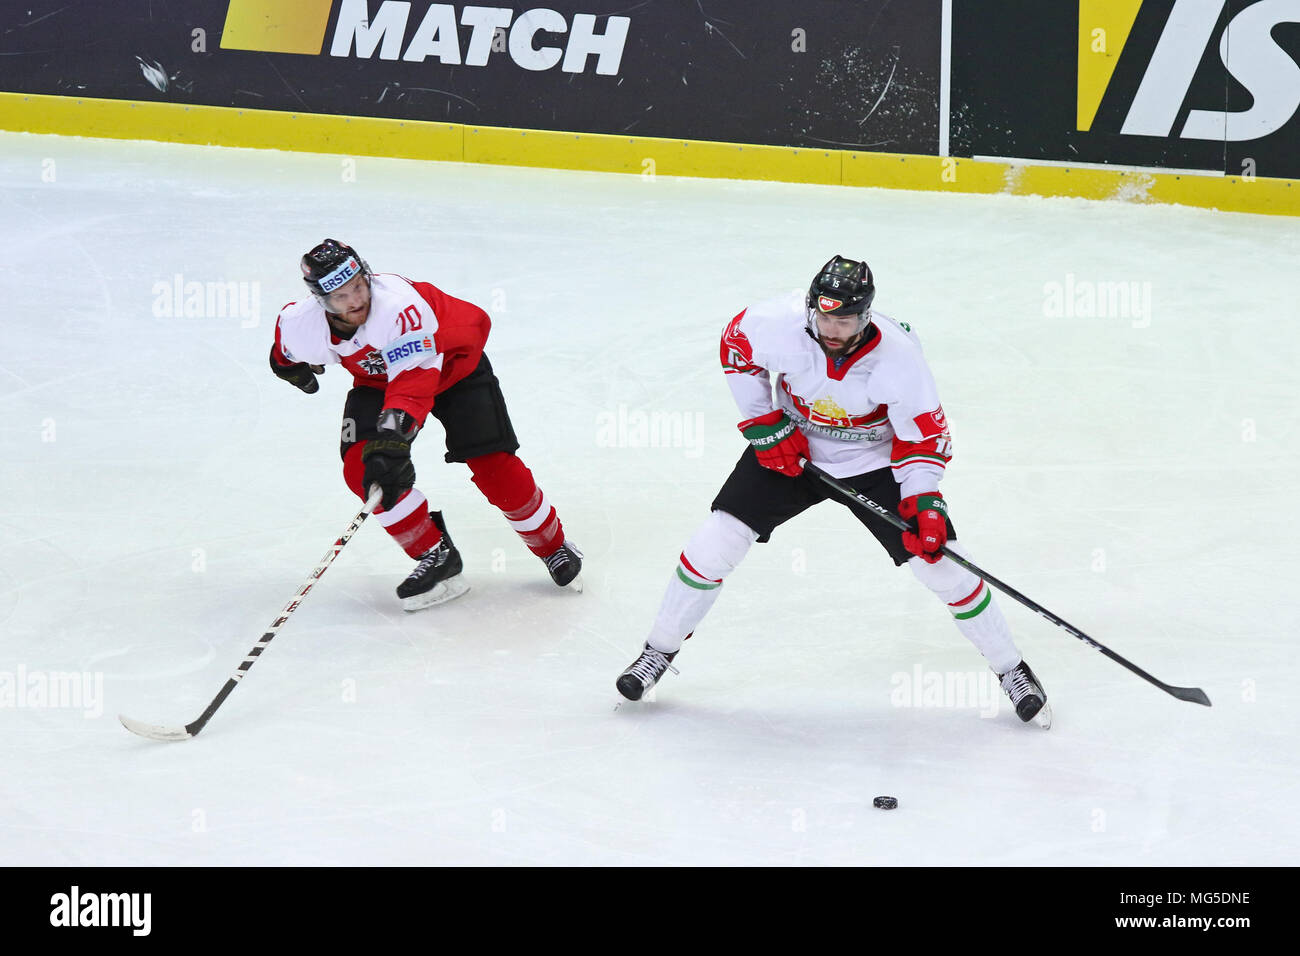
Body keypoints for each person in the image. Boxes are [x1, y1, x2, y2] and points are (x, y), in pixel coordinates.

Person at [615, 255, 1049, 727]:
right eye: (823, 317)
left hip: (875, 461)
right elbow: (735, 348)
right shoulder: (774, 324)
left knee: (943, 565)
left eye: (843, 320)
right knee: (714, 542)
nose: (831, 329)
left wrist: (924, 500)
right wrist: (763, 422)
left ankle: (1012, 669)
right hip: (793, 449)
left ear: (864, 317)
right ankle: (657, 652)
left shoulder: (899, 357)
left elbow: (924, 438)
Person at [270, 239, 581, 609]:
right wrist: (287, 367)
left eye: (357, 285)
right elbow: (283, 349)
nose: (355, 300)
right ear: (321, 301)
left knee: (494, 468)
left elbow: (413, 385)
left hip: (455, 366)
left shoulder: (399, 308)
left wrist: (392, 439)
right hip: (379, 382)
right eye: (340, 296)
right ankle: (436, 556)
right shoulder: (301, 326)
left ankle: (552, 545)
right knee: (364, 469)